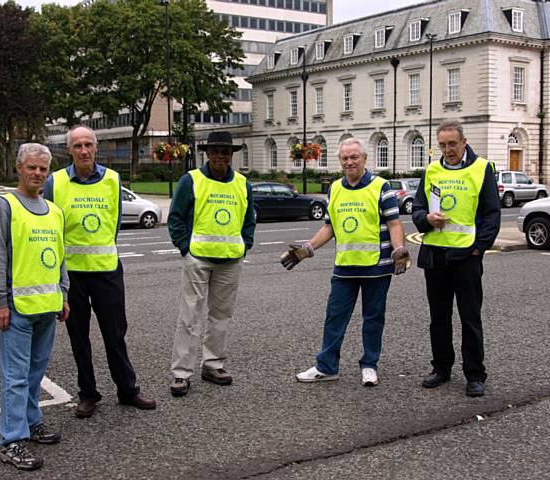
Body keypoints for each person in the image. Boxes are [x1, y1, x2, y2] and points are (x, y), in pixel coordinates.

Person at [44, 125, 156, 418]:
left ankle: (127, 390)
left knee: (115, 334)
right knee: (78, 338)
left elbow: (114, 222)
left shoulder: (112, 179)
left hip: (107, 271)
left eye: (88, 145)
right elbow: (49, 227)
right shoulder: (55, 183)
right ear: (69, 150)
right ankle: (88, 394)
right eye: (77, 145)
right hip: (72, 277)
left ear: (96, 148)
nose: (83, 151)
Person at [281, 138, 410, 387]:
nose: (349, 162)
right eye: (345, 158)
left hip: (377, 267)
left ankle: (370, 365)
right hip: (345, 266)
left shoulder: (382, 187)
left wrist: (400, 249)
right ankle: (326, 367)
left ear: (364, 159)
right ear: (340, 161)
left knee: (373, 318)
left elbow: (394, 223)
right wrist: (307, 248)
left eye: (354, 157)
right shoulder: (335, 189)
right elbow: (329, 227)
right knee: (334, 317)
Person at [0, 143, 70, 471]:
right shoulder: (5, 207)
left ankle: (32, 421)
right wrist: (0, 301)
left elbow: (60, 257)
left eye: (43, 169)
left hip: (47, 308)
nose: (37, 173)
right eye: (31, 167)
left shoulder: (54, 211)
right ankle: (11, 439)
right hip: (17, 310)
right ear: (19, 168)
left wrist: (63, 295)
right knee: (15, 377)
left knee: (34, 374)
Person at [412, 120, 500, 397]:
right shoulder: (431, 171)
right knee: (439, 317)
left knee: (470, 317)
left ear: (463, 142)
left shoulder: (481, 168)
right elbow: (417, 209)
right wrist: (425, 218)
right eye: (442, 145)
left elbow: (491, 214)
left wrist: (478, 248)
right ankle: (441, 369)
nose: (448, 150)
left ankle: (475, 374)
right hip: (436, 256)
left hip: (467, 257)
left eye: (452, 144)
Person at [168, 131, 255, 397]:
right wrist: (186, 249)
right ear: (207, 153)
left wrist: (245, 245)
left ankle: (213, 364)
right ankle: (181, 373)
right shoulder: (191, 180)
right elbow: (175, 218)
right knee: (189, 317)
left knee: (221, 317)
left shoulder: (242, 183)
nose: (220, 156)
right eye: (215, 151)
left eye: (225, 152)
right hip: (198, 259)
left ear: (231, 155)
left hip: (230, 261)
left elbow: (249, 219)